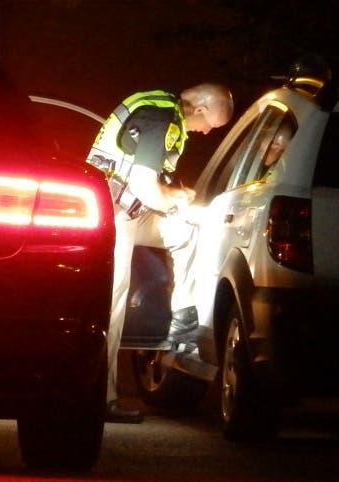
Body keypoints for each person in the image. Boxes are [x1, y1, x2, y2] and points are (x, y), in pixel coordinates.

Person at [87, 84, 234, 422]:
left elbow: (144, 180)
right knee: (112, 305)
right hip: (113, 215)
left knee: (186, 231)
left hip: (125, 210)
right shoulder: (160, 118)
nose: (207, 132)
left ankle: (182, 319)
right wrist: (173, 202)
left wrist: (174, 195)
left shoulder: (163, 109)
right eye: (210, 124)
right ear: (199, 109)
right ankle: (100, 398)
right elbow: (144, 188)